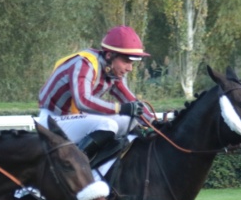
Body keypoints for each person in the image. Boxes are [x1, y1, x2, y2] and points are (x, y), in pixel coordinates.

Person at [37, 25, 157, 161]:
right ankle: (75, 164)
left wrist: (154, 123)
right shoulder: (85, 64)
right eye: (126, 61)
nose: (129, 68)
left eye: (132, 63)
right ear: (109, 55)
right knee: (108, 125)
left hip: (75, 118)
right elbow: (83, 101)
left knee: (130, 120)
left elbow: (131, 101)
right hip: (52, 120)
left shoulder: (112, 71)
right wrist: (121, 108)